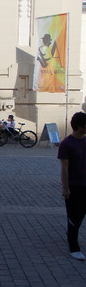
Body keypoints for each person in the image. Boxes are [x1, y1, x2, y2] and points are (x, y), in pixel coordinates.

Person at [58, 111, 86, 261]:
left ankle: (71, 234)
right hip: (74, 185)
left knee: (81, 214)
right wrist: (65, 187)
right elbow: (64, 167)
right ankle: (73, 247)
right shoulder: (66, 144)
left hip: (85, 184)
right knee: (74, 215)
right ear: (80, 126)